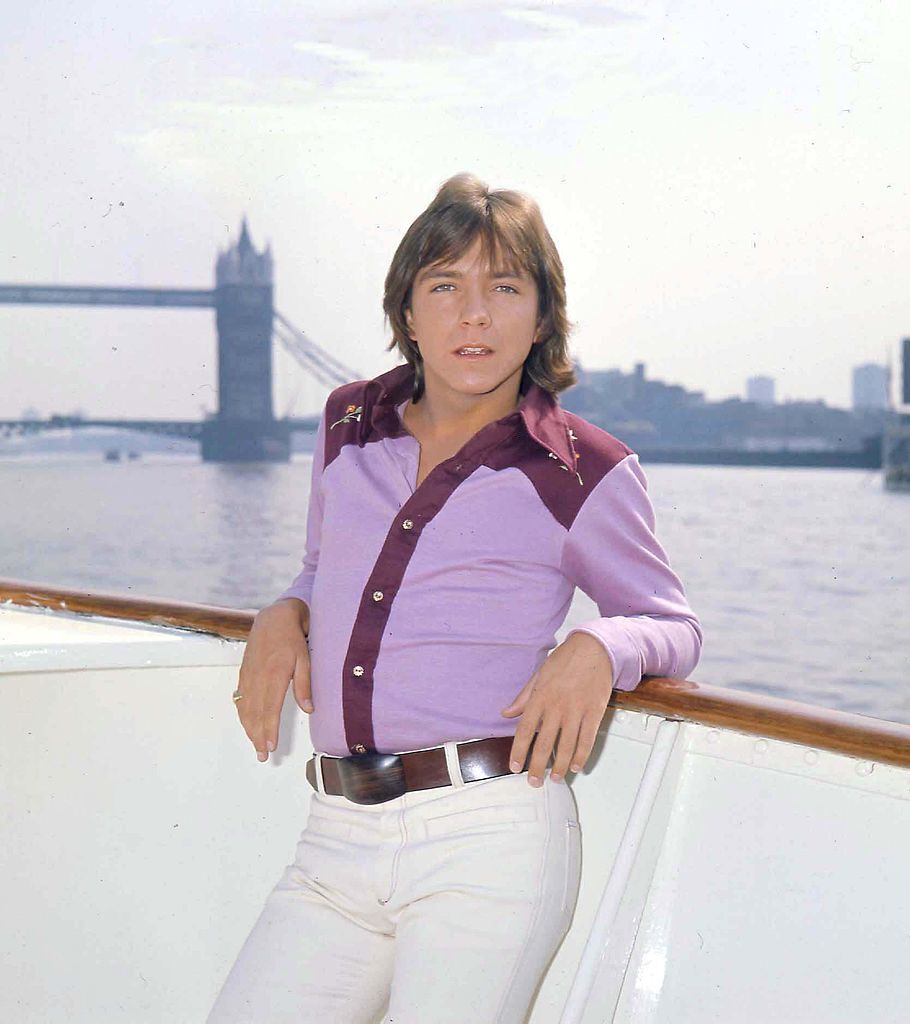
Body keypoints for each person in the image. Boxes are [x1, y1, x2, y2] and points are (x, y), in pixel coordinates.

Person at [208, 172, 702, 1023]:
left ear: (542, 315)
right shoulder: (347, 423)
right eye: (445, 286)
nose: (474, 315)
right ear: (407, 311)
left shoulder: (584, 468)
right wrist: (284, 613)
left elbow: (672, 625)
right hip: (334, 838)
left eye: (505, 287)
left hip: (489, 845)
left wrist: (599, 648)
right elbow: (323, 569)